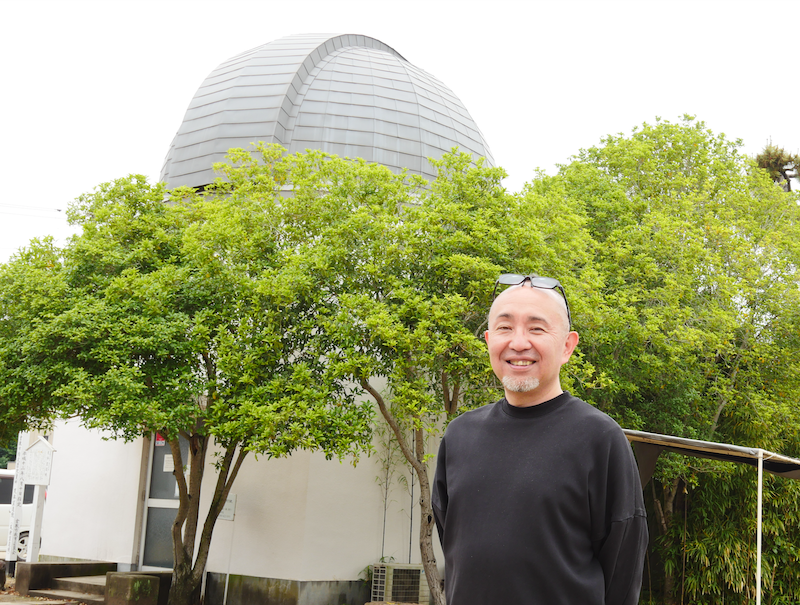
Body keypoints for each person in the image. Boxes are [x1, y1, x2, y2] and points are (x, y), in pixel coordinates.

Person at [432, 273, 647, 605]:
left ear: (567, 346)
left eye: (536, 329)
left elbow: (623, 571)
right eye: (505, 328)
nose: (518, 343)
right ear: (488, 340)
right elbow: (454, 548)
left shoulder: (600, 439)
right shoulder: (459, 436)